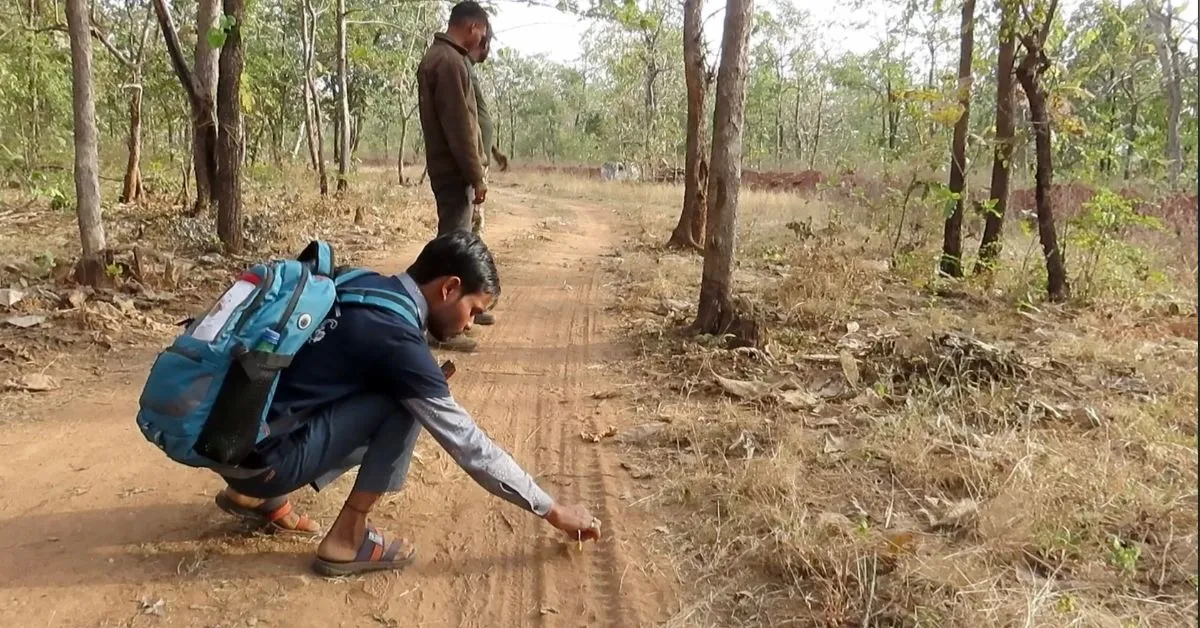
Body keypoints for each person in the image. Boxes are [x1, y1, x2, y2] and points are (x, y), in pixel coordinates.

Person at [212, 232, 603, 577]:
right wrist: (553, 510)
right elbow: (471, 447)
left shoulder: (359, 281)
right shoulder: (399, 344)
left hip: (225, 438)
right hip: (261, 465)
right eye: (474, 311)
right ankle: (348, 539)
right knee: (404, 400)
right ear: (449, 288)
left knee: (394, 386)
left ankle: (252, 496)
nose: (468, 325)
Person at [417, 1, 491, 352]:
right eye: (482, 31)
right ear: (473, 26)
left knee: (453, 242)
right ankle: (442, 328)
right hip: (453, 168)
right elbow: (459, 126)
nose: (482, 37)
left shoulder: (444, 58)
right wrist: (476, 175)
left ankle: (458, 312)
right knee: (452, 250)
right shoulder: (447, 62)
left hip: (449, 166)